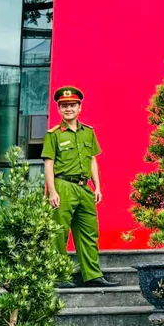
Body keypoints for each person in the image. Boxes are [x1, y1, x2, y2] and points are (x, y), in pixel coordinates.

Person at [42, 85, 114, 288]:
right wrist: (52, 191)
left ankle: (92, 275)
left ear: (79, 107)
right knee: (58, 232)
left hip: (84, 188)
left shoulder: (88, 132)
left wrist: (97, 186)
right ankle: (59, 276)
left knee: (89, 232)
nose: (68, 109)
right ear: (59, 109)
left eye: (72, 105)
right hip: (63, 185)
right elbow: (49, 164)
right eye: (64, 106)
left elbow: (92, 160)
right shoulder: (54, 134)